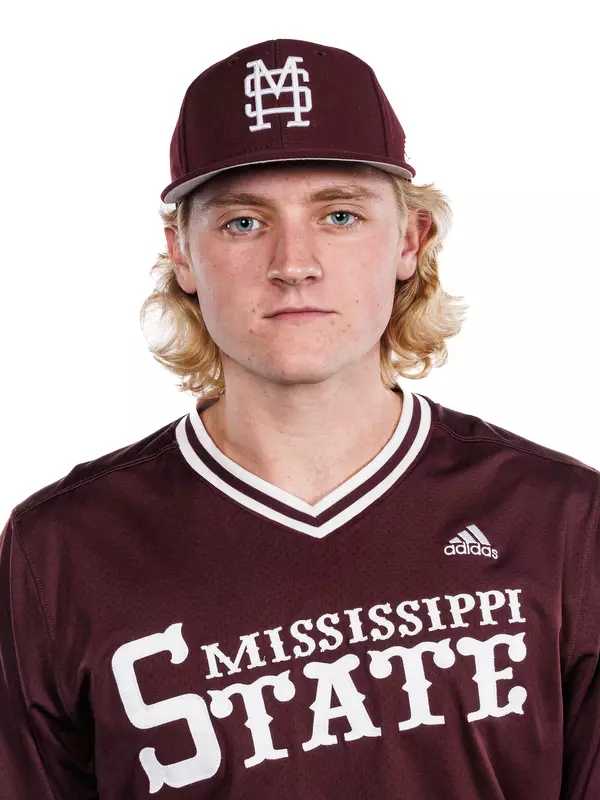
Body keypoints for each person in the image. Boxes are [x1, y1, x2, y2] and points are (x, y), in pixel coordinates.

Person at [0, 37, 598, 800]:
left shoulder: (563, 523)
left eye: (340, 215)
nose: (294, 262)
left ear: (410, 241)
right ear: (182, 253)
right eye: (243, 223)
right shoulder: (59, 553)